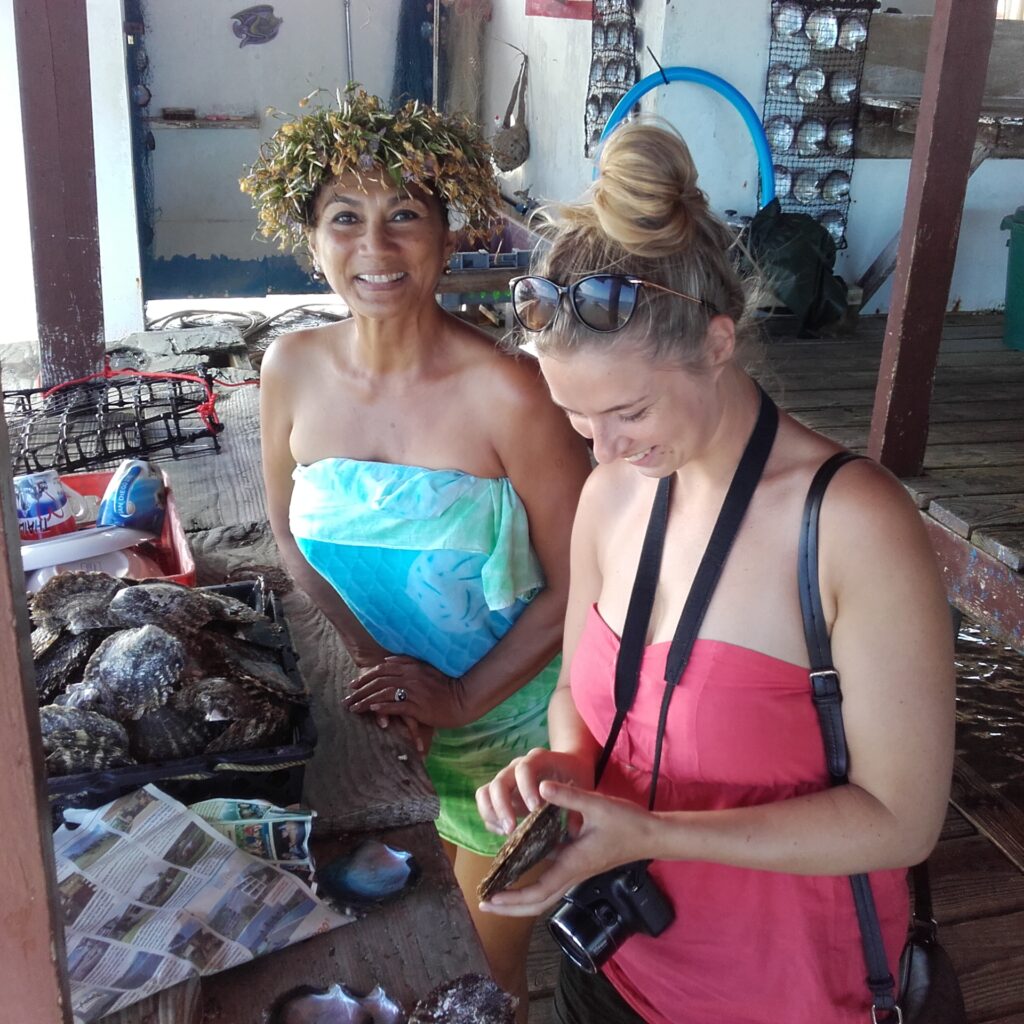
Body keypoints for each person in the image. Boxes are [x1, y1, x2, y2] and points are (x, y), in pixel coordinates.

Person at [475, 120, 955, 1024]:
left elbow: (903, 819)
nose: (606, 448)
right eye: (578, 421)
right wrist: (560, 771)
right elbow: (577, 695)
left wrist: (651, 834)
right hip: (613, 966)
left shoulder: (851, 526)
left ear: (718, 343)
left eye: (630, 411)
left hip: (790, 994)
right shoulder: (612, 493)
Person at [243, 88, 591, 1017]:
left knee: (478, 976)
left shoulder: (512, 393)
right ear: (309, 236)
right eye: (344, 218)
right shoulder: (290, 369)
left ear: (447, 232)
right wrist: (378, 671)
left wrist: (461, 698)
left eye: (405, 215)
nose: (376, 247)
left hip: (510, 735)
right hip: (386, 720)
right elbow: (288, 533)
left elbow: (587, 581)